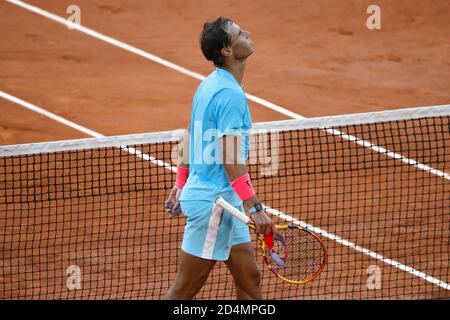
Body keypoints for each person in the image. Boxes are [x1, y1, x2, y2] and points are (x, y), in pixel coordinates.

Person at [164, 16, 276, 300]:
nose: (247, 32)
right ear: (227, 50)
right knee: (185, 289)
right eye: (239, 33)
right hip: (215, 203)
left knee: (249, 279)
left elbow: (191, 134)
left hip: (223, 201)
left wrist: (181, 182)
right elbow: (229, 156)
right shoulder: (229, 95)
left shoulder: (210, 84)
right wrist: (255, 208)